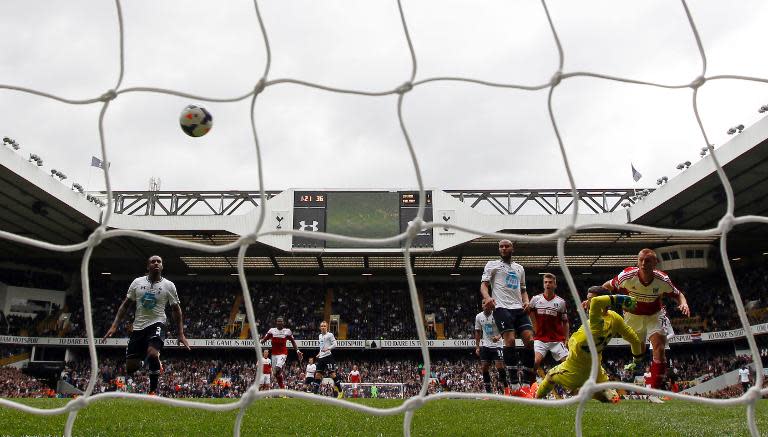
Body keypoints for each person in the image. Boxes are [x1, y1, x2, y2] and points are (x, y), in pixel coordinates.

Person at [586, 248, 690, 403]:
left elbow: (678, 294)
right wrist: (593, 300)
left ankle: (653, 393)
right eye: (641, 260)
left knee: (659, 348)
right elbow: (607, 286)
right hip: (632, 316)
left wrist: (684, 304)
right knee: (639, 349)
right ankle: (637, 362)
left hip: (655, 315)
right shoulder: (627, 276)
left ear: (655, 263)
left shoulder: (663, 279)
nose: (643, 263)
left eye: (647, 260)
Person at [104, 255, 190, 396]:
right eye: (152, 261)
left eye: (159, 261)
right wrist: (114, 326)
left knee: (152, 353)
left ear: (162, 266)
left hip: (158, 322)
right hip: (138, 327)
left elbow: (176, 310)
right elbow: (125, 305)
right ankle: (151, 360)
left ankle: (152, 390)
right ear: (147, 266)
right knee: (131, 368)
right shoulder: (137, 282)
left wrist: (181, 333)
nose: (156, 263)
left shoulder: (169, 285)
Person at [536, 294, 643, 402]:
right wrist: (637, 361)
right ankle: (608, 395)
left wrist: (623, 298)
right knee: (602, 395)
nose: (588, 302)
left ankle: (534, 400)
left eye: (589, 300)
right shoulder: (615, 318)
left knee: (550, 376)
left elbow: (596, 301)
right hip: (596, 370)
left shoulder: (594, 326)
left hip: (576, 369)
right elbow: (635, 340)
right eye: (587, 299)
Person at [480, 239, 536, 397]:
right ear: (499, 249)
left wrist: (526, 301)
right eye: (501, 246)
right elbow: (483, 285)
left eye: (507, 246)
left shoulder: (519, 268)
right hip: (501, 308)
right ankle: (513, 384)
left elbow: (523, 289)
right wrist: (488, 297)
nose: (504, 248)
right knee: (510, 340)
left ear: (513, 248)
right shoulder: (492, 265)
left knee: (530, 341)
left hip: (519, 308)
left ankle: (526, 383)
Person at [526, 273, 569, 378]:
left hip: (557, 340)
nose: (547, 284)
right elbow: (528, 313)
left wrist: (566, 338)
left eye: (550, 282)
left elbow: (565, 322)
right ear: (543, 284)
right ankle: (530, 385)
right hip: (540, 339)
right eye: (545, 282)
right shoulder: (535, 299)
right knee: (535, 361)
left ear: (555, 285)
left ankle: (571, 387)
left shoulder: (561, 302)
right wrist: (533, 329)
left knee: (569, 364)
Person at [260, 316, 303, 390]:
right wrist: (258, 342)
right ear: (276, 323)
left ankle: (280, 387)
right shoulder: (272, 331)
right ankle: (282, 388)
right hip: (274, 354)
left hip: (283, 353)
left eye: (281, 321)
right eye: (278, 321)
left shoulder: (287, 331)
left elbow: (293, 342)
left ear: (283, 323)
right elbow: (264, 340)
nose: (279, 323)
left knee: (277, 368)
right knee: (276, 374)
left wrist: (298, 351)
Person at [474, 307, 510, 395]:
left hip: (497, 345)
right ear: (482, 305)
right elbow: (478, 332)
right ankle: (488, 392)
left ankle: (506, 388)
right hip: (486, 345)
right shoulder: (479, 316)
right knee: (484, 367)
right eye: (483, 303)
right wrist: (477, 346)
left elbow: (504, 329)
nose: (486, 305)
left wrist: (498, 337)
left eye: (487, 303)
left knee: (500, 367)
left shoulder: (497, 315)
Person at [313, 321, 343, 398]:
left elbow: (335, 344)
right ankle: (314, 394)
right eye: (321, 326)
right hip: (321, 358)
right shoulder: (320, 336)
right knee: (317, 375)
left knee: (332, 374)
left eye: (324, 326)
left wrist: (328, 349)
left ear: (327, 327)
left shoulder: (330, 335)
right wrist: (319, 353)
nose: (323, 327)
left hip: (328, 357)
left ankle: (340, 390)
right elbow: (321, 347)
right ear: (320, 327)